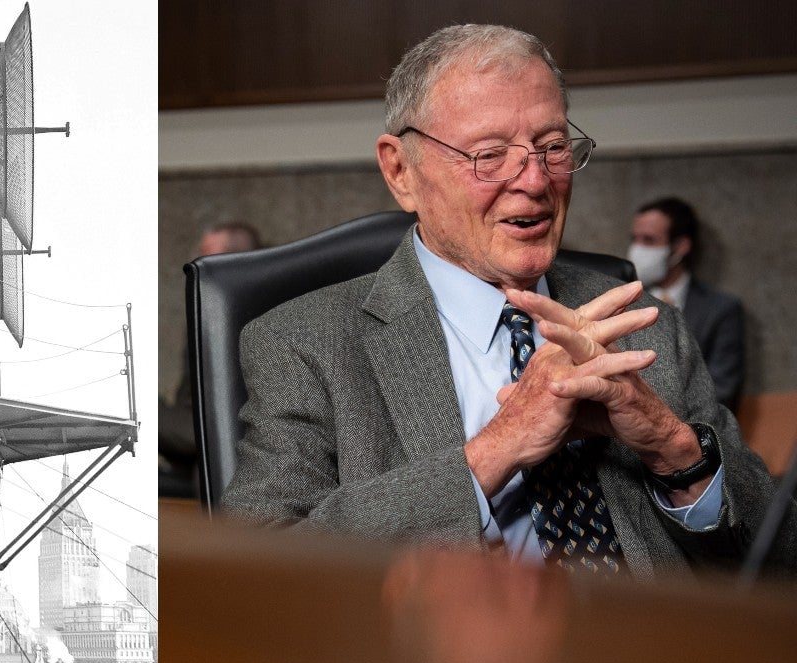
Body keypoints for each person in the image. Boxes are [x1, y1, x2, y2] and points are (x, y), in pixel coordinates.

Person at [222, 24, 793, 577]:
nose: (536, 181)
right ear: (400, 171)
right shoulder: (304, 344)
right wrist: (497, 449)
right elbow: (257, 568)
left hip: (651, 640)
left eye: (552, 147)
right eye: (490, 155)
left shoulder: (646, 326)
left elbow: (779, 557)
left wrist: (673, 449)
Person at [159, 221, 262, 496]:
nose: (197, 265)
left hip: (223, 427)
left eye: (206, 257)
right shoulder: (206, 305)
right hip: (196, 426)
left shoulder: (247, 314)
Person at [628, 197, 744, 411]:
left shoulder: (720, 310)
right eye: (635, 239)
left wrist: (660, 419)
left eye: (649, 240)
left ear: (680, 247)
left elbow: (722, 390)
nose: (637, 249)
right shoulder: (623, 300)